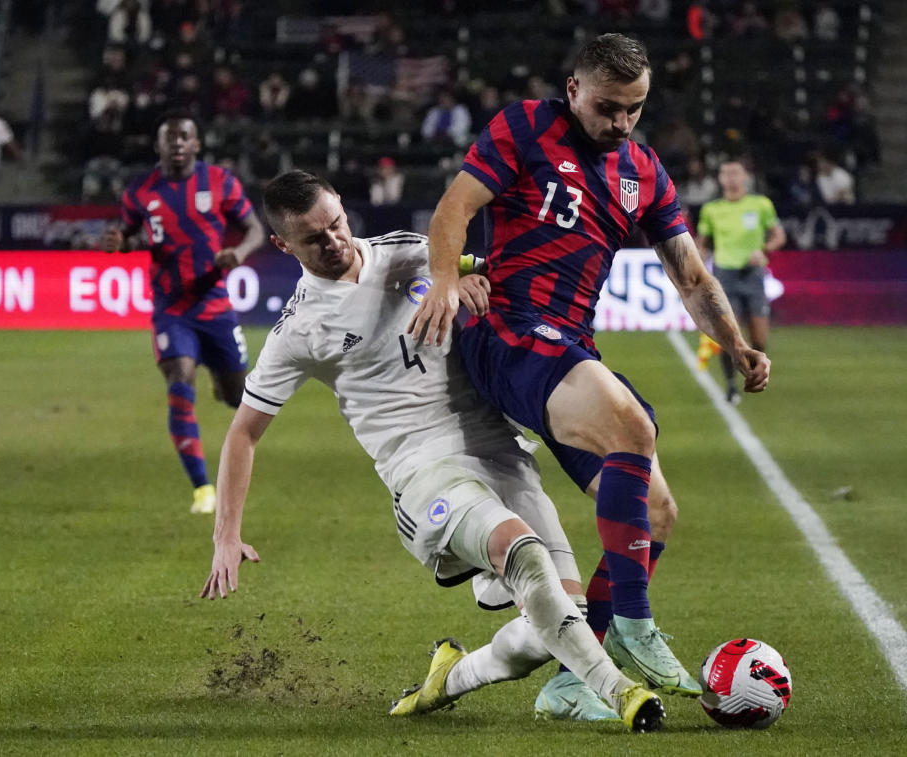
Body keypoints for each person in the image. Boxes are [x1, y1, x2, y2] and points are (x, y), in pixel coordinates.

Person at [200, 170, 666, 732]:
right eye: (314, 238)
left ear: (344, 208)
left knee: (561, 622)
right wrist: (226, 534)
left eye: (337, 224)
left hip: (499, 449)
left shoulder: (404, 252)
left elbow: (476, 271)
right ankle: (621, 693)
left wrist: (470, 282)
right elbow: (243, 434)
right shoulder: (299, 329)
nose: (334, 241)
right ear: (282, 245)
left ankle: (453, 676)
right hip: (423, 471)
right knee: (522, 554)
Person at [408, 33, 770, 696]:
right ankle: (633, 621)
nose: (621, 122)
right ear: (574, 89)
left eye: (634, 109)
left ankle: (572, 687)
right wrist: (442, 279)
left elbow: (689, 274)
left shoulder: (644, 171)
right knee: (634, 426)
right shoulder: (524, 126)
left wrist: (735, 340)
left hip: (569, 344)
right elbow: (454, 207)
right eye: (609, 107)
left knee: (654, 513)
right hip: (508, 333)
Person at [100, 110, 265, 514]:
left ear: (196, 144)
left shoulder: (220, 182)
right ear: (158, 145)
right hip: (171, 307)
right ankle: (202, 489)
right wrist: (119, 243)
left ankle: (220, 380)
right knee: (180, 376)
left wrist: (238, 253)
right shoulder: (139, 191)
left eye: (183, 137)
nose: (176, 143)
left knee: (237, 396)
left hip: (214, 304)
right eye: (169, 137)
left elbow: (256, 229)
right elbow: (132, 235)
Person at [696, 157, 785, 404]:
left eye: (736, 173)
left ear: (745, 176)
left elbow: (779, 235)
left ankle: (755, 375)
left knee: (759, 339)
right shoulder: (712, 209)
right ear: (720, 178)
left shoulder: (761, 205)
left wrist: (765, 249)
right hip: (725, 275)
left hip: (753, 275)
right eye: (726, 173)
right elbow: (702, 244)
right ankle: (731, 385)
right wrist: (698, 266)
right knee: (729, 337)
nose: (731, 178)